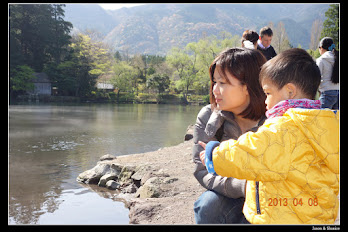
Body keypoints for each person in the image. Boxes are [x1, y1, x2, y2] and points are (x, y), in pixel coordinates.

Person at [200, 48, 339, 224]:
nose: (265, 100)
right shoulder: (325, 124)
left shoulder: (285, 128)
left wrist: (215, 153)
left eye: (268, 93)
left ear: (290, 92)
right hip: (318, 214)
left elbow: (251, 151)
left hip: (283, 215)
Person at [192, 48, 267, 224]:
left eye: (223, 83)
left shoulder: (275, 120)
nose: (215, 90)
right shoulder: (208, 116)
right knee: (208, 206)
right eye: (214, 82)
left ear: (248, 85)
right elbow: (201, 170)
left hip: (269, 196)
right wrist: (242, 186)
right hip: (229, 192)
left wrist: (256, 189)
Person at [316, 37, 339, 109]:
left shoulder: (321, 60)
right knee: (336, 119)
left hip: (326, 94)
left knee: (322, 118)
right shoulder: (337, 58)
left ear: (322, 48)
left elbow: (317, 77)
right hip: (338, 93)